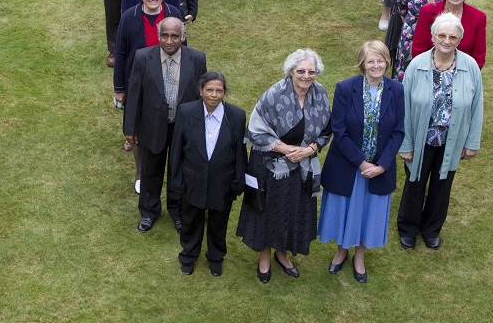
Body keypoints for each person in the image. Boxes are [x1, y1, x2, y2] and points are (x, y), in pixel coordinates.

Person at [237, 49, 331, 283]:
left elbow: (328, 130)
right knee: (268, 211)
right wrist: (287, 149)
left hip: (302, 164)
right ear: (291, 71)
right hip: (271, 164)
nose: (306, 76)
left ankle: (283, 252)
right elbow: (255, 129)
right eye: (301, 71)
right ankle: (265, 256)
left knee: (293, 210)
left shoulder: (320, 94)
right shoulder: (274, 94)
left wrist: (309, 150)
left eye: (312, 71)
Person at [318, 41, 404, 283]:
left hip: (379, 168)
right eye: (371, 61)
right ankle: (341, 251)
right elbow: (339, 129)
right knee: (345, 211)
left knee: (368, 213)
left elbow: (398, 131)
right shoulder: (346, 88)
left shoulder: (396, 90)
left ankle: (359, 256)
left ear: (387, 62)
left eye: (381, 60)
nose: (376, 65)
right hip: (349, 165)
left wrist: (382, 165)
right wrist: (361, 163)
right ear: (362, 64)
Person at [398, 13, 483, 250]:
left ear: (459, 39)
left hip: (452, 138)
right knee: (414, 181)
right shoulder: (416, 65)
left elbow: (477, 107)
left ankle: (431, 229)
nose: (447, 40)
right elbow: (403, 106)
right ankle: (408, 228)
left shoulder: (470, 67)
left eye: (452, 36)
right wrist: (405, 143)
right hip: (421, 136)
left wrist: (472, 141)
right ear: (433, 36)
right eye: (442, 35)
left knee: (442, 183)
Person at [123, 17, 207, 233]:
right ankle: (149, 211)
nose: (169, 41)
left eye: (175, 36)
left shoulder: (197, 59)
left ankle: (177, 212)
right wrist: (130, 128)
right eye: (165, 35)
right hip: (152, 125)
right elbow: (134, 95)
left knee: (179, 172)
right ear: (158, 35)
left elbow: (201, 96)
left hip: (183, 127)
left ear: (184, 36)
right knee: (150, 170)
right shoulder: (143, 57)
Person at [113, 0, 184, 196]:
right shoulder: (128, 17)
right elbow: (121, 54)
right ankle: (141, 173)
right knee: (137, 129)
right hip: (138, 82)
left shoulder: (173, 13)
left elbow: (185, 48)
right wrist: (119, 89)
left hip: (170, 79)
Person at [171, 72, 246, 277]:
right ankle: (188, 256)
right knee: (191, 220)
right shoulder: (186, 112)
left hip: (223, 182)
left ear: (224, 92)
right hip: (192, 180)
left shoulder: (236, 116)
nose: (214, 95)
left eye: (219, 90)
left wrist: (238, 181)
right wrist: (176, 180)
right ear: (201, 90)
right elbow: (177, 148)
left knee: (218, 222)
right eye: (209, 90)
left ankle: (215, 257)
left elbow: (240, 152)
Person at [412, 0, 486, 70]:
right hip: (428, 72)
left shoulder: (478, 17)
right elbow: (418, 50)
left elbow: (479, 57)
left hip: (463, 74)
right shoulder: (427, 12)